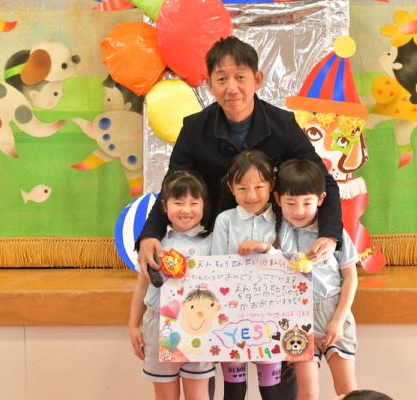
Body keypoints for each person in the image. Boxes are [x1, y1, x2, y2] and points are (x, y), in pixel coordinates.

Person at [135, 34, 343, 281]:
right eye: (222, 79)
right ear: (210, 85)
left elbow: (324, 181)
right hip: (214, 240)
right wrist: (149, 234)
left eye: (240, 77)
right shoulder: (194, 128)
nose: (232, 88)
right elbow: (173, 186)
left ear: (257, 80)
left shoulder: (283, 125)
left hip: (273, 238)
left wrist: (330, 234)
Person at [273, 159, 359, 400]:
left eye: (307, 203)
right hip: (296, 318)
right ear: (278, 199)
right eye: (290, 203)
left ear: (321, 199)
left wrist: (338, 321)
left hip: (333, 313)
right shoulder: (276, 232)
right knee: (308, 393)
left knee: (348, 391)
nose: (299, 211)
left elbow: (350, 277)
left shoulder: (333, 234)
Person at [129, 171, 215, 400]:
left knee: (198, 395)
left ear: (204, 206)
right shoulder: (153, 244)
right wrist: (133, 325)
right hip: (157, 325)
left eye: (194, 203)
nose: (186, 210)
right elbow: (141, 287)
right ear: (165, 206)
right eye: (178, 202)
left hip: (198, 325)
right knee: (165, 396)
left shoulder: (213, 242)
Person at [211, 150, 283, 400]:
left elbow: (294, 266)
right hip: (232, 318)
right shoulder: (225, 220)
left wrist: (267, 249)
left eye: (259, 187)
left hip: (272, 317)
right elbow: (216, 267)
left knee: (272, 391)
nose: (251, 195)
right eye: (242, 188)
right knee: (234, 390)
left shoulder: (283, 217)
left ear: (272, 184)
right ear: (231, 187)